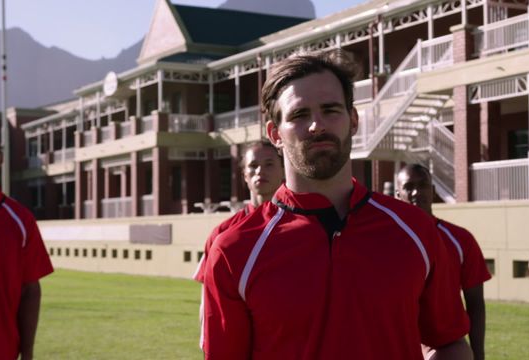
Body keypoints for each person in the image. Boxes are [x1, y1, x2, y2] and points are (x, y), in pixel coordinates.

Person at [201, 51, 469, 359]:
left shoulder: (415, 229)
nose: (317, 125)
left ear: (353, 120)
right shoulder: (235, 249)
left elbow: (448, 342)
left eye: (331, 110)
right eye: (299, 115)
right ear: (274, 134)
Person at [0, 121, 54, 360]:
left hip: (1, 351)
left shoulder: (21, 220)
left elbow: (31, 289)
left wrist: (27, 352)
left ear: (1, 157)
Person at [396, 163, 492, 360]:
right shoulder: (387, 242)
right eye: (408, 187)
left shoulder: (460, 239)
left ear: (432, 191)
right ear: (398, 195)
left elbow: (475, 304)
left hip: (444, 346)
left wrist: (478, 354)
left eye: (422, 185)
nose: (416, 192)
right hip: (399, 344)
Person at [193, 140, 284, 283]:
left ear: (284, 171)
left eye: (269, 164)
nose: (260, 171)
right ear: (244, 175)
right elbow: (209, 298)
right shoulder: (222, 233)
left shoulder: (302, 225)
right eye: (253, 166)